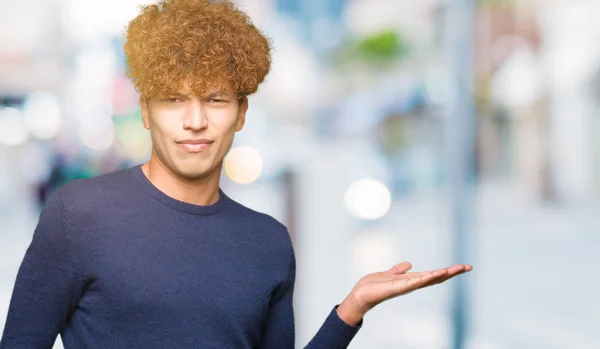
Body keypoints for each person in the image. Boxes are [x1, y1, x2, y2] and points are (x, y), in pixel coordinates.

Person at [0, 0, 472, 348]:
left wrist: (350, 312)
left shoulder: (267, 242)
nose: (195, 121)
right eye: (173, 100)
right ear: (145, 111)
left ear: (241, 112)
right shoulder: (79, 214)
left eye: (215, 99)